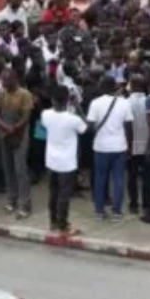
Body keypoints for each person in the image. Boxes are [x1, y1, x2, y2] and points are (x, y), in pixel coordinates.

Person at [86, 76, 133, 221]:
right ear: (115, 87)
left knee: (100, 179)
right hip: (119, 146)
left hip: (100, 147)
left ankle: (99, 212)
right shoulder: (124, 103)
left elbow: (90, 126)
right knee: (119, 179)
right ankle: (117, 212)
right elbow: (129, 126)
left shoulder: (95, 103)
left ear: (101, 87)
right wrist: (129, 145)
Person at [41, 85, 86, 234]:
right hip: (67, 163)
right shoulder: (73, 119)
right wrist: (77, 105)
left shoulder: (45, 114)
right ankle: (63, 225)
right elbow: (85, 128)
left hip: (51, 161)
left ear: (52, 100)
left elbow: (43, 127)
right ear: (68, 99)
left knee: (53, 193)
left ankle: (53, 221)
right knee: (63, 196)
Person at [0, 68, 34, 219]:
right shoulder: (1, 94)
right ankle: (12, 199)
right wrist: (5, 128)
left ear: (15, 79)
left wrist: (14, 129)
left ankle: (25, 203)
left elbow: (26, 117)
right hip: (4, 135)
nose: (4, 83)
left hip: (20, 135)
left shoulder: (25, 95)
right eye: (2, 80)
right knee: (8, 168)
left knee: (20, 169)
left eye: (6, 80)